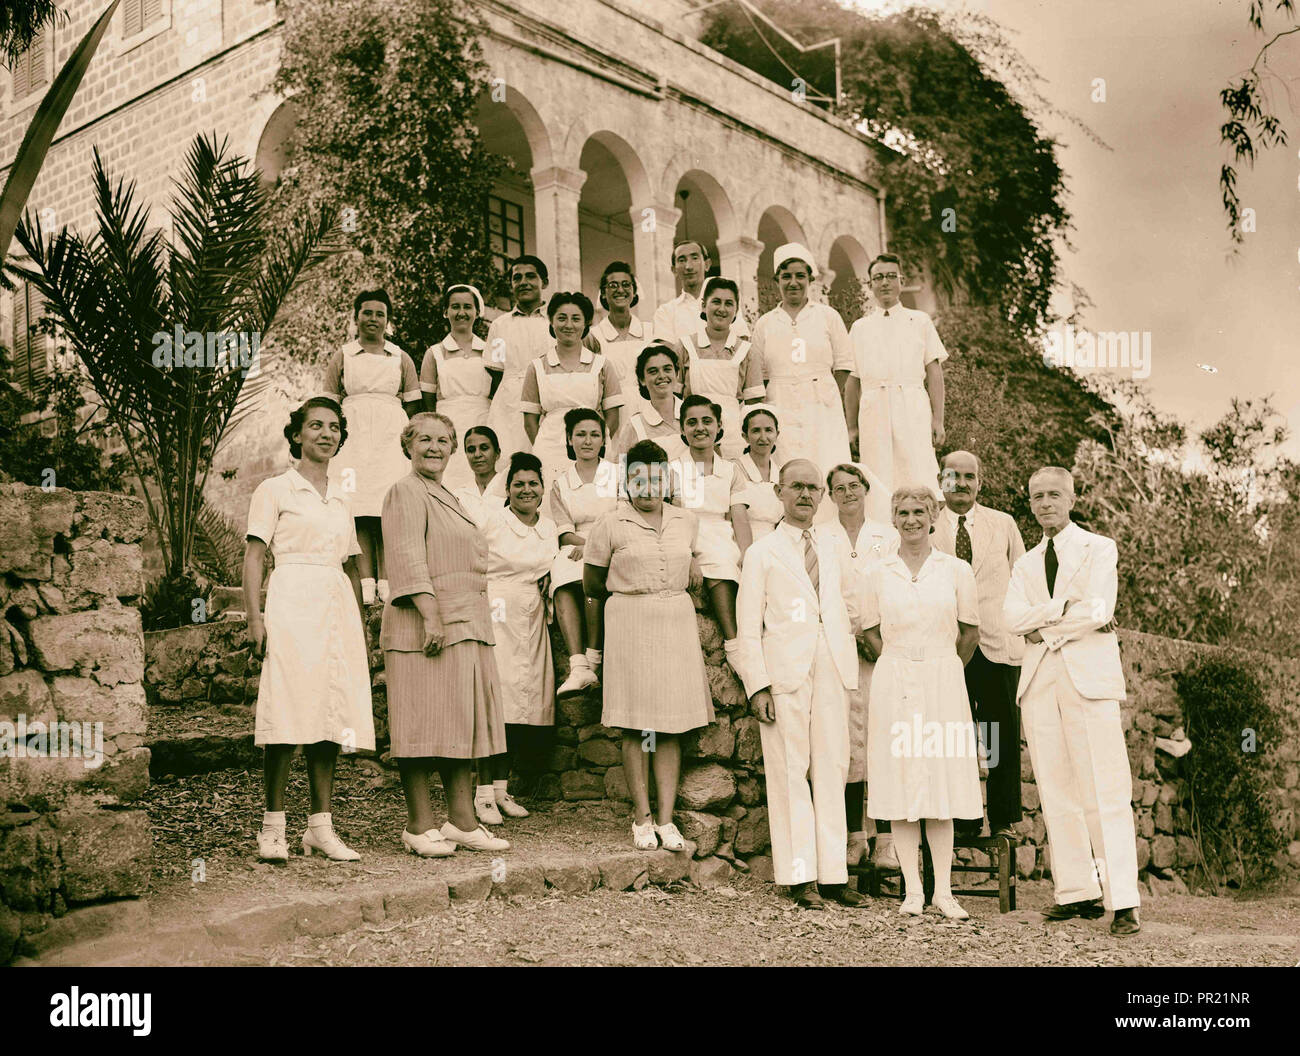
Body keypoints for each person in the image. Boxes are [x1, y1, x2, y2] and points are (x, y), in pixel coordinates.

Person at [1003, 467, 1140, 936]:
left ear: (1072, 497)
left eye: (1054, 495)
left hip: (1088, 680)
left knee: (1105, 790)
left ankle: (1122, 900)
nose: (1045, 504)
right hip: (1040, 681)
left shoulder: (1099, 548)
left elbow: (1100, 608)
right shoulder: (1024, 564)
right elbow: (1010, 618)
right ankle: (1077, 891)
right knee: (1056, 791)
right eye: (1037, 496)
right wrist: (1064, 610)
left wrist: (1043, 629)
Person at [244, 397, 376, 863]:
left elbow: (353, 560)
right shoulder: (275, 489)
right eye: (316, 426)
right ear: (296, 434)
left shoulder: (342, 494)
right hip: (291, 598)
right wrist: (255, 616)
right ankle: (272, 827)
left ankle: (320, 826)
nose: (326, 434)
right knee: (288, 709)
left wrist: (359, 614)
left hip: (335, 602)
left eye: (334, 427)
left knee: (330, 711)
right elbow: (255, 557)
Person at [733, 459, 863, 909]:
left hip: (832, 666)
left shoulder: (831, 546)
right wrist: (758, 686)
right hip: (785, 673)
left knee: (832, 768)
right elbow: (747, 626)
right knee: (789, 772)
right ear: (779, 492)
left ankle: (833, 874)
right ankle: (799, 876)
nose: (805, 495)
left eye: (813, 488)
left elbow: (848, 604)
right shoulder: (762, 553)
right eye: (797, 487)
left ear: (821, 497)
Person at [380, 412, 510, 856]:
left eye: (443, 440)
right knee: (419, 723)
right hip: (424, 627)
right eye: (424, 440)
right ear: (408, 446)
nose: (434, 447)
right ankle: (418, 825)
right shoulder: (405, 491)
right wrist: (431, 617)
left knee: (459, 723)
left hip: (464, 624)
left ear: (453, 449)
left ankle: (461, 821)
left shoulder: (447, 495)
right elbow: (406, 557)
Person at [858, 486, 983, 920]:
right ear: (893, 519)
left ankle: (943, 892)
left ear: (933, 516)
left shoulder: (956, 570)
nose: (911, 520)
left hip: (943, 680)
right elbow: (869, 631)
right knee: (900, 779)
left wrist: (940, 669)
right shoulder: (877, 571)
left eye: (919, 512)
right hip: (894, 678)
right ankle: (912, 892)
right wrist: (901, 660)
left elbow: (969, 634)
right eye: (903, 512)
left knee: (941, 782)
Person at [583, 439, 714, 852]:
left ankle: (667, 819)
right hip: (630, 623)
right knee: (638, 724)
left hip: (674, 623)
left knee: (669, 725)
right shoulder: (610, 524)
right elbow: (591, 584)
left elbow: (692, 557)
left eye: (655, 477)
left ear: (667, 480)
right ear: (627, 481)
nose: (647, 486)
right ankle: (641, 817)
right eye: (638, 477)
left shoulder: (685, 520)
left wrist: (692, 560)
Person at [933, 450, 1026, 838]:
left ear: (980, 482)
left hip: (996, 643)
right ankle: (965, 819)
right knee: (953, 731)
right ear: (941, 480)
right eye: (953, 476)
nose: (961, 484)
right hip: (948, 643)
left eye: (969, 476)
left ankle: (1003, 819)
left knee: (999, 732)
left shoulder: (1002, 524)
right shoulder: (927, 523)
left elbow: (1024, 579)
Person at [322, 288, 423, 605]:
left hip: (391, 437)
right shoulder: (344, 356)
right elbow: (328, 404)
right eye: (367, 312)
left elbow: (415, 408)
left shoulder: (400, 358)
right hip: (354, 437)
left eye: (380, 313)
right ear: (356, 317)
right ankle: (365, 581)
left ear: (387, 320)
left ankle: (387, 579)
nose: (373, 319)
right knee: (360, 508)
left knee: (388, 507)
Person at [823, 463, 900, 869]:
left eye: (854, 486)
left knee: (880, 739)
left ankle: (886, 839)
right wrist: (849, 636)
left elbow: (895, 585)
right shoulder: (821, 537)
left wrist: (878, 637)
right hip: (840, 651)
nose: (848, 493)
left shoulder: (886, 537)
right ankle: (856, 837)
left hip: (881, 648)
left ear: (866, 490)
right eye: (839, 488)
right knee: (848, 744)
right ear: (830, 496)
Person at [475, 452, 558, 824]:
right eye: (519, 484)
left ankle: (500, 789)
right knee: (495, 701)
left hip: (532, 615)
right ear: (507, 490)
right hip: (496, 609)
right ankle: (481, 795)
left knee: (521, 707)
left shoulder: (549, 528)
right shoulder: (493, 521)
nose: (526, 490)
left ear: (542, 489)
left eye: (533, 484)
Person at [845, 253, 947, 521]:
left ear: (901, 280)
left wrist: (938, 420)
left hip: (911, 404)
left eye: (891, 276)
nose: (885, 282)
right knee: (878, 475)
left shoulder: (920, 321)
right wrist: (852, 426)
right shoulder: (860, 327)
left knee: (916, 470)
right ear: (870, 284)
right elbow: (852, 382)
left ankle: (926, 534)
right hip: (873, 408)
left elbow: (934, 373)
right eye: (878, 277)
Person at [749, 244, 853, 509]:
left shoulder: (828, 316)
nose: (793, 282)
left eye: (799, 276)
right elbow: (758, 373)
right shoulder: (765, 323)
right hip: (781, 403)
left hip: (822, 406)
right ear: (776, 281)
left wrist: (826, 393)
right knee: (789, 468)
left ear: (810, 279)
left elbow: (843, 364)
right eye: (786, 276)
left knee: (827, 465)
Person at [669, 395, 745, 669]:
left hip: (723, 534)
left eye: (707, 421)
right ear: (682, 429)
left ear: (719, 426)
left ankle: (743, 642)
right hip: (686, 534)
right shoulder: (673, 469)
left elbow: (739, 518)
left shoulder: (730, 470)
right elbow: (674, 517)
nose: (699, 428)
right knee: (719, 561)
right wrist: (688, 556)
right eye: (692, 422)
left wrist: (748, 555)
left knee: (731, 559)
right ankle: (733, 644)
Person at [520, 291, 624, 486]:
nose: (568, 325)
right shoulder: (537, 366)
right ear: (551, 322)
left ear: (585, 324)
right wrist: (545, 447)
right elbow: (530, 421)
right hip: (550, 448)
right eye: (561, 318)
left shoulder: (601, 365)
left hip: (591, 449)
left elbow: (613, 417)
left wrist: (595, 443)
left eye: (576, 319)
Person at [550, 408, 620, 697]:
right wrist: (584, 544)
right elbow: (563, 529)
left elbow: (623, 517)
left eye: (595, 434)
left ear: (604, 439)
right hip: (575, 546)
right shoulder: (560, 481)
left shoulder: (618, 474)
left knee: (590, 576)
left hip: (613, 543)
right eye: (580, 434)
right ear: (569, 439)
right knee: (562, 580)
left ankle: (593, 658)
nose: (588, 441)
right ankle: (578, 664)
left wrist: (593, 545)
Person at [421, 284, 496, 492]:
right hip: (448, 428)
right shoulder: (434, 353)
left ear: (477, 312)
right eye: (455, 307)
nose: (461, 313)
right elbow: (428, 404)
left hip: (484, 424)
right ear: (446, 312)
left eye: (467, 307)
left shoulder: (491, 350)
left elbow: (501, 390)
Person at [680, 276, 764, 460]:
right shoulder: (685, 346)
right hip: (694, 431)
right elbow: (675, 397)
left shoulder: (747, 351)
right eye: (716, 302)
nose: (722, 309)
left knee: (731, 483)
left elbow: (754, 405)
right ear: (703, 306)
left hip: (733, 435)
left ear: (736, 311)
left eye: (729, 304)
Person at [485, 255, 552, 460]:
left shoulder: (555, 321)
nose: (523, 282)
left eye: (530, 276)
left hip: (549, 396)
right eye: (517, 278)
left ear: (544, 282)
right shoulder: (500, 325)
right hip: (509, 405)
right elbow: (496, 371)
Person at [592, 261, 655, 411]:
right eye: (613, 285)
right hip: (611, 411)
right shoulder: (594, 336)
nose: (620, 290)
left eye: (626, 284)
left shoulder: (650, 331)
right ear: (603, 293)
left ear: (634, 291)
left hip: (648, 409)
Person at [610, 343, 687, 462]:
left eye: (667, 369)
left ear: (676, 374)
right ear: (642, 380)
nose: (662, 376)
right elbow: (620, 471)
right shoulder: (634, 426)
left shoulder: (694, 415)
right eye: (653, 371)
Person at [730, 406, 784, 561]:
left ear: (777, 434)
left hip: (776, 546)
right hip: (740, 545)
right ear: (745, 436)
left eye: (768, 430)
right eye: (755, 431)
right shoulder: (733, 469)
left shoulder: (782, 474)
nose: (763, 437)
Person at [451, 425, 507, 528]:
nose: (477, 455)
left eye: (484, 448)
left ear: (497, 453)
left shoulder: (510, 489)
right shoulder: (459, 495)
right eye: (471, 450)